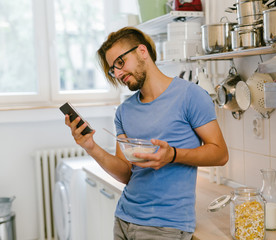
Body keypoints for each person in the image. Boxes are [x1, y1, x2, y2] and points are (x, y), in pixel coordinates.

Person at [64, 26, 228, 240]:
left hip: (165, 227)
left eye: (120, 63)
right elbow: (125, 173)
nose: (119, 73)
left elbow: (220, 154)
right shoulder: (124, 111)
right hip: (124, 219)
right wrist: (90, 147)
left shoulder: (191, 96)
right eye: (113, 69)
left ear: (142, 51)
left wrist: (173, 155)